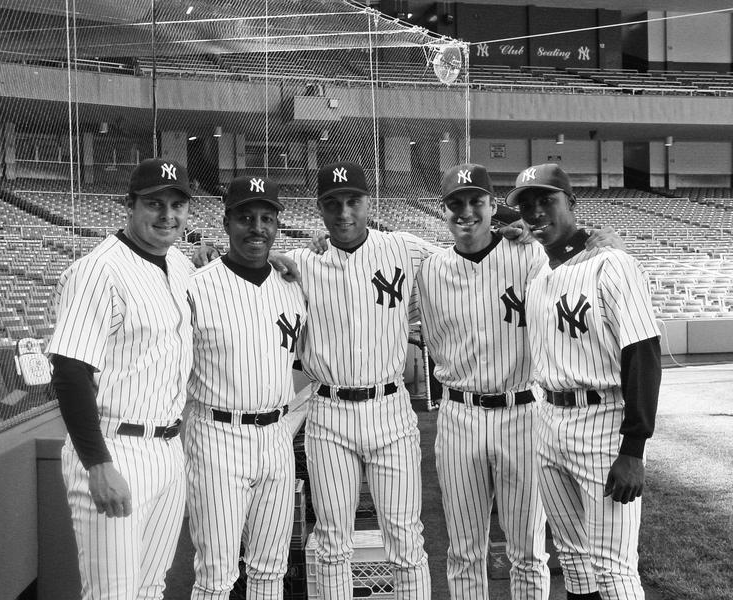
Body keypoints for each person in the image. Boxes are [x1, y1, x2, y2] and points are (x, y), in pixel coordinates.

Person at [506, 163, 661, 600]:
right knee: (573, 561)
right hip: (549, 422)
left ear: (571, 204)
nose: (536, 213)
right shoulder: (539, 276)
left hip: (603, 423)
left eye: (546, 201)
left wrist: (633, 449)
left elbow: (643, 356)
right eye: (527, 205)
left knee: (612, 570)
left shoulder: (612, 264)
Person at [282, 161, 436, 600]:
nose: (344, 212)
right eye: (333, 203)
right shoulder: (302, 262)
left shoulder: (404, 248)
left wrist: (511, 236)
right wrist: (202, 256)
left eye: (353, 201)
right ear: (319, 209)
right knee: (332, 542)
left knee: (406, 539)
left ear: (369, 203)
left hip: (390, 407)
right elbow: (249, 269)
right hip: (329, 413)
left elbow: (465, 257)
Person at [48, 158, 194, 600]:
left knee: (150, 589)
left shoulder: (181, 264)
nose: (167, 215)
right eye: (154, 203)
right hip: (116, 448)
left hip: (169, 449)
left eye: (177, 204)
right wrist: (98, 464)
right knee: (113, 594)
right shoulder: (97, 270)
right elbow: (70, 372)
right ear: (128, 206)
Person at [415, 163, 550, 600]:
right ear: (444, 211)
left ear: (493, 206)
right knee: (464, 550)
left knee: (528, 552)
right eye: (456, 203)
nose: (466, 211)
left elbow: (573, 252)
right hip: (458, 416)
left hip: (524, 412)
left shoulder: (529, 254)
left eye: (476, 201)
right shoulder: (428, 269)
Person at [183, 175, 307, 599]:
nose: (257, 227)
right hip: (217, 436)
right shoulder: (195, 287)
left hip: (276, 435)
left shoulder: (293, 287)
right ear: (226, 222)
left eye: (267, 218)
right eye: (246, 217)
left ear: (277, 225)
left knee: (272, 569)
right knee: (216, 576)